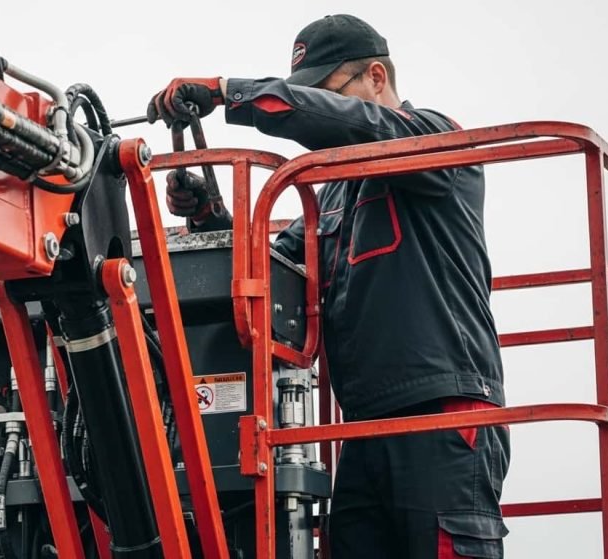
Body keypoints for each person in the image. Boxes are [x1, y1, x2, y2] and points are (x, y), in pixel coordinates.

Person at [147, 14, 510, 559]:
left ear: (376, 78)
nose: (316, 115)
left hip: (445, 417)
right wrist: (210, 220)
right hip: (363, 429)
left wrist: (230, 94)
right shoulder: (334, 196)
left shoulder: (436, 143)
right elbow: (273, 269)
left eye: (325, 94)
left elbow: (358, 125)